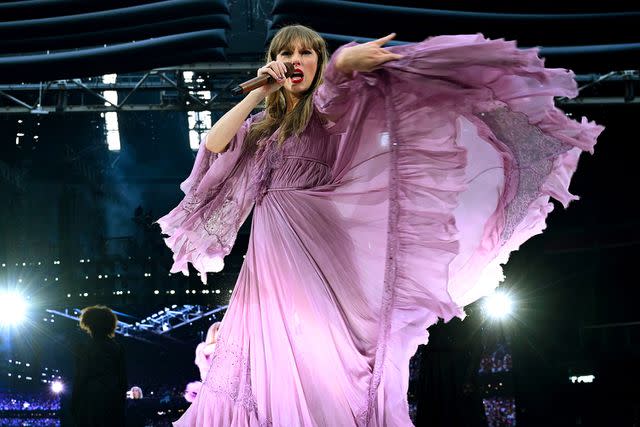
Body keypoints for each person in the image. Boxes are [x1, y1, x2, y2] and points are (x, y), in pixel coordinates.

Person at [158, 25, 602, 426]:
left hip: (321, 241)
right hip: (269, 248)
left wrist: (341, 63)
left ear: (317, 60)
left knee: (328, 353)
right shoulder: (260, 127)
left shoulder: (327, 112)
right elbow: (216, 143)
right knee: (268, 350)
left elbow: (339, 90)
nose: (296, 60)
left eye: (306, 53)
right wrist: (259, 90)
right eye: (287, 52)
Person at [71, 305, 127, 427]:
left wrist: (74, 403)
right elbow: (123, 381)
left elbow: (80, 378)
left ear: (89, 325)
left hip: (90, 403)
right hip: (112, 402)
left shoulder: (83, 349)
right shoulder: (117, 348)